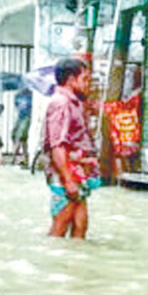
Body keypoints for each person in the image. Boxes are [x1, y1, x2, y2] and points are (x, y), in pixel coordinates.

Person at [44, 57, 99, 238]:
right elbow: (57, 145)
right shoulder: (62, 103)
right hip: (67, 171)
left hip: (77, 170)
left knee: (80, 225)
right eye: (84, 80)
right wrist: (67, 179)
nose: (88, 85)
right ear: (70, 79)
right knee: (61, 224)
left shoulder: (74, 102)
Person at [10, 87, 33, 166]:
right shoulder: (18, 96)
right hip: (20, 117)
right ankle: (24, 157)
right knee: (16, 136)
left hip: (27, 117)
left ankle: (15, 157)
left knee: (21, 136)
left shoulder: (30, 95)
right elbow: (16, 105)